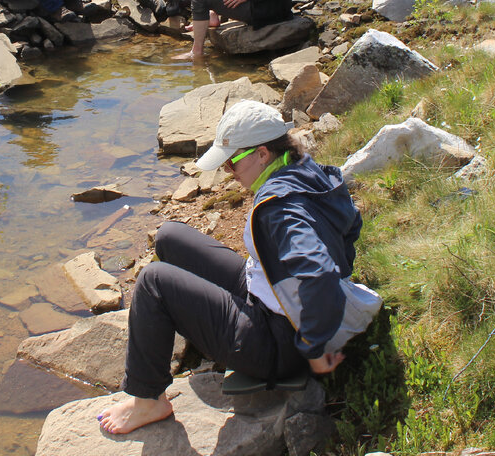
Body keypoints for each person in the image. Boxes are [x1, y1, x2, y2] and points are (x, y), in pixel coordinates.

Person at [97, 101, 382, 435]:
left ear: (262, 153)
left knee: (153, 281)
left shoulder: (280, 209)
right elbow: (350, 224)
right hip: (268, 297)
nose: (229, 174)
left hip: (276, 342)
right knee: (169, 236)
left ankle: (148, 401)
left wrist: (314, 347)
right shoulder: (305, 169)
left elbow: (319, 274)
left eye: (232, 163)